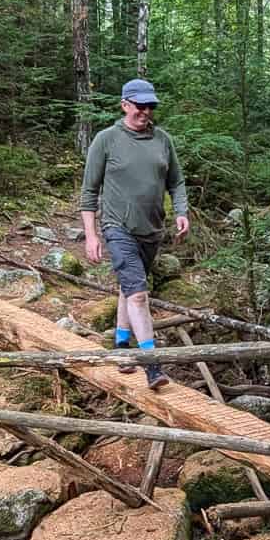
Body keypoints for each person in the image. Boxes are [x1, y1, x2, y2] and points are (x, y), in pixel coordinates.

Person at [79, 78, 190, 389]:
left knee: (128, 289)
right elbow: (89, 192)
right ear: (125, 104)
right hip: (118, 227)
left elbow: (176, 182)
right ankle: (152, 366)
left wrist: (182, 212)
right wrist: (91, 234)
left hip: (151, 229)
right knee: (139, 295)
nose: (146, 111)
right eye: (140, 105)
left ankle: (121, 345)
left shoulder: (163, 140)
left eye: (150, 106)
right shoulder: (106, 140)